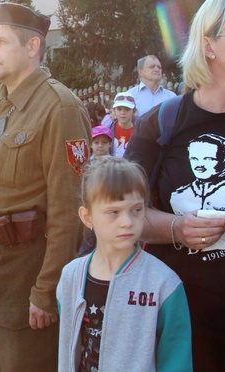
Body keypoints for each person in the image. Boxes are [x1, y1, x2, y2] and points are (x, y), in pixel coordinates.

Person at [0, 3, 91, 371]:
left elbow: (69, 209)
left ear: (31, 47)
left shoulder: (59, 107)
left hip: (24, 271)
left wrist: (47, 291)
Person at [125, 0, 225, 371]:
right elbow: (123, 213)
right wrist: (177, 228)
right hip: (177, 323)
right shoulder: (161, 123)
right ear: (209, 46)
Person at [57, 157, 192, 371]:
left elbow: (176, 356)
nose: (127, 222)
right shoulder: (70, 277)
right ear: (87, 216)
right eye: (113, 212)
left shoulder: (164, 284)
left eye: (136, 210)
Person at [107, 93, 136, 157]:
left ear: (133, 111)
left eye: (127, 109)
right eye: (119, 109)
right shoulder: (107, 131)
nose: (123, 113)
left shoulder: (140, 132)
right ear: (114, 111)